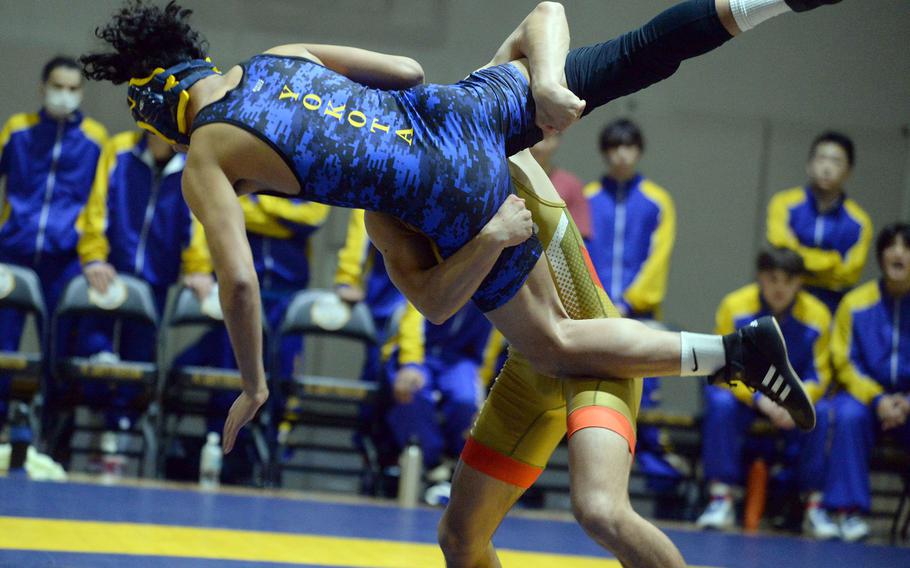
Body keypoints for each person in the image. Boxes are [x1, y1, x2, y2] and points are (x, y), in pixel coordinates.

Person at [81, 0, 844, 453]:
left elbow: (239, 284)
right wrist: (525, 91)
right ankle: (760, 4)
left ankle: (732, 353)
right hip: (455, 110)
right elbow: (410, 71)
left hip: (445, 189)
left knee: (552, 343)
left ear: (156, 105)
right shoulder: (277, 55)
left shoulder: (206, 153)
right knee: (615, 47)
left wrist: (252, 385)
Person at [75, 129, 213, 433]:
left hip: (155, 281)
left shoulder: (193, 163)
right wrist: (94, 257)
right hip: (109, 273)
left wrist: (199, 268)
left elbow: (198, 222)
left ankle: (121, 432)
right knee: (94, 349)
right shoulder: (118, 150)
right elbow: (97, 207)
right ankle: (96, 425)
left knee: (140, 359)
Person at [695, 247, 834, 537]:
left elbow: (819, 375)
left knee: (822, 411)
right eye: (773, 279)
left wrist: (791, 400)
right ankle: (721, 498)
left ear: (800, 283)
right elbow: (724, 367)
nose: (780, 288)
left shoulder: (818, 316)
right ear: (760, 277)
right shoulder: (735, 306)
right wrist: (762, 398)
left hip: (792, 403)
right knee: (719, 402)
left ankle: (814, 505)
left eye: (788, 280)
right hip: (748, 398)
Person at [0, 55, 107, 428]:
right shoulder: (17, 130)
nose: (64, 95)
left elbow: (99, 205)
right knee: (3, 347)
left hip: (64, 260)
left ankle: (50, 436)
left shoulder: (96, 141)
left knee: (58, 353)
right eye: (58, 87)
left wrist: (93, 255)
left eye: (73, 89)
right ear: (42, 88)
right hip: (11, 253)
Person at [817, 223, 910, 542]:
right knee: (847, 416)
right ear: (881, 256)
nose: (899, 253)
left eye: (907, 247)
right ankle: (848, 511)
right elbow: (843, 361)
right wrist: (877, 399)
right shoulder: (855, 303)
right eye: (891, 246)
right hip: (865, 397)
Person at [382, 300, 492, 482]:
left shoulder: (497, 285)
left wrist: (483, 386)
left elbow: (490, 344)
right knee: (411, 391)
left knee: (466, 402)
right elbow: (412, 316)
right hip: (421, 353)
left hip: (460, 360)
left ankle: (456, 466)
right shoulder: (436, 270)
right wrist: (410, 362)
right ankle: (430, 464)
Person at [766, 131, 872, 313]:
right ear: (809, 164)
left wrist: (799, 256)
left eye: (836, 161)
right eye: (821, 159)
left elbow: (848, 274)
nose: (827, 167)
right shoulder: (783, 203)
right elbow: (781, 251)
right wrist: (832, 261)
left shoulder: (859, 221)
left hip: (832, 305)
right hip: (782, 300)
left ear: (848, 171)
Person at [529, 132, 590, 238]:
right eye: (534, 139)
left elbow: (579, 237)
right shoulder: (507, 180)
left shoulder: (571, 185)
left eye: (546, 139)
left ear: (557, 141)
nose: (538, 147)